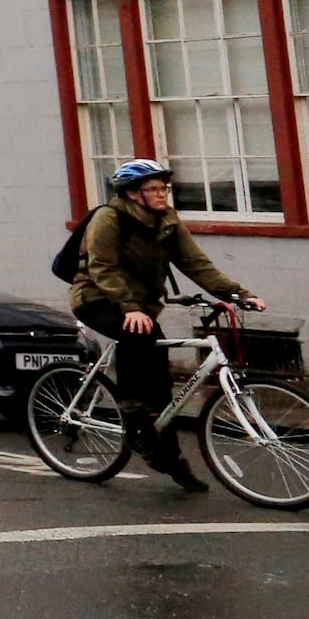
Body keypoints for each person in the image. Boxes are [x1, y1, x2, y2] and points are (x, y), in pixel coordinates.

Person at [74, 158, 267, 490]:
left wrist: (238, 293)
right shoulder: (109, 218)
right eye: (154, 189)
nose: (162, 194)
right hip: (96, 298)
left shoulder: (167, 221)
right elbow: (102, 266)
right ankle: (133, 414)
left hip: (141, 308)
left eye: (165, 188)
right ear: (133, 193)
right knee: (136, 336)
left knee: (162, 388)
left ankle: (170, 462)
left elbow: (196, 263)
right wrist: (130, 307)